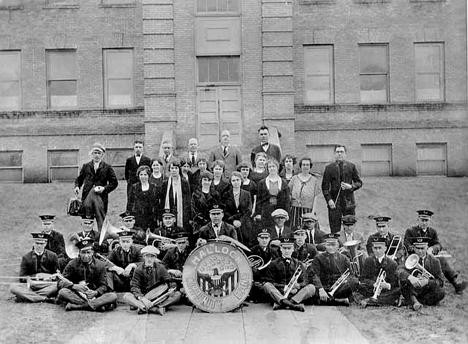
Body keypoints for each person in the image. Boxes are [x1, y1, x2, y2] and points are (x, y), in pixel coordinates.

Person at [404, 210, 467, 294]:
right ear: (418, 219)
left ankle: (455, 284)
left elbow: (438, 244)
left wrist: (432, 249)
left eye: (426, 220)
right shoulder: (410, 231)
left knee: (442, 260)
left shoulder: (432, 232)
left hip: (428, 258)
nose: (424, 223)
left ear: (430, 221)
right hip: (414, 259)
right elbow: (406, 245)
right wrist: (419, 250)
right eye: (422, 220)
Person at [58, 237, 118, 311]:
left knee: (113, 296)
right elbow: (60, 282)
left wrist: (95, 292)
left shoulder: (100, 265)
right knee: (63, 292)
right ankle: (96, 305)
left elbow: (104, 285)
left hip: (95, 295)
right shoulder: (72, 264)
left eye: (88, 252)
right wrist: (74, 286)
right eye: (83, 252)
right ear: (79, 252)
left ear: (92, 252)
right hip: (78, 294)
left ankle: (79, 306)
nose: (86, 256)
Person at [123, 245, 181, 315]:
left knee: (177, 295)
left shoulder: (161, 268)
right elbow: (134, 286)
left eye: (152, 256)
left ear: (155, 258)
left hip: (158, 296)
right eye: (147, 256)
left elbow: (170, 281)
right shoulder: (138, 269)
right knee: (126, 296)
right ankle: (155, 309)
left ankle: (143, 307)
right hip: (143, 296)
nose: (149, 259)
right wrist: (142, 298)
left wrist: (172, 289)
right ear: (144, 257)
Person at [263, 236, 315, 311]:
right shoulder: (273, 264)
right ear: (280, 249)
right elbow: (270, 281)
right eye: (284, 248)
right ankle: (293, 305)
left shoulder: (299, 263)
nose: (286, 251)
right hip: (280, 292)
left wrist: (298, 285)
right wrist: (285, 287)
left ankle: (284, 303)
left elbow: (305, 281)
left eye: (289, 248)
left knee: (311, 287)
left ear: (293, 249)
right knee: (266, 285)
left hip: (295, 293)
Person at [74, 142, 119, 231]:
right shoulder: (86, 166)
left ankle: (102, 237)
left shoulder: (107, 167)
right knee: (87, 220)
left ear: (102, 155)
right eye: (95, 153)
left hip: (101, 198)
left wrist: (104, 188)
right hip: (87, 198)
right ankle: (88, 237)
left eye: (99, 153)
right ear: (91, 154)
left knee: (100, 217)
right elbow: (79, 179)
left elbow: (114, 183)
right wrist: (77, 187)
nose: (97, 155)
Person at [321, 145, 362, 234]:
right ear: (334, 154)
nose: (339, 154)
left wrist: (351, 187)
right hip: (334, 204)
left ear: (345, 154)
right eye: (337, 152)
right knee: (335, 230)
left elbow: (359, 182)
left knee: (349, 228)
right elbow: (325, 187)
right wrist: (329, 200)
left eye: (341, 152)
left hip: (349, 204)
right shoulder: (329, 168)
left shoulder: (351, 166)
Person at [309, 233, 359, 306]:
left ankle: (330, 299)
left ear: (338, 246)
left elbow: (350, 275)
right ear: (325, 245)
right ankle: (338, 300)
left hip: (340, 288)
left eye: (333, 245)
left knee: (354, 281)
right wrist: (320, 289)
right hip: (324, 287)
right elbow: (314, 275)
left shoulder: (344, 258)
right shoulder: (318, 258)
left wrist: (346, 281)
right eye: (329, 245)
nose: (331, 247)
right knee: (314, 292)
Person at [9, 233, 58, 303]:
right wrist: (33, 277)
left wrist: (49, 276)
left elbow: (58, 275)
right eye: (37, 243)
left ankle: (27, 296)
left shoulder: (53, 256)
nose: (39, 246)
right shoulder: (26, 257)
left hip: (46, 285)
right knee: (13, 287)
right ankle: (45, 299)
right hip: (31, 286)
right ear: (33, 243)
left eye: (41, 244)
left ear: (45, 244)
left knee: (57, 286)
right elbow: (22, 277)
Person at [398, 237, 445, 311]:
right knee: (405, 283)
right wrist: (410, 277)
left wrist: (427, 282)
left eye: (422, 248)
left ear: (427, 248)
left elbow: (440, 282)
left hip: (427, 290)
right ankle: (415, 301)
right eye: (417, 248)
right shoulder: (409, 258)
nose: (420, 251)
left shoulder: (435, 261)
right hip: (413, 287)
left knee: (441, 292)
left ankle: (412, 301)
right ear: (414, 248)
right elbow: (399, 270)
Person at [358, 237, 400, 308]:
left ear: (385, 249)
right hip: (372, 288)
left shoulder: (392, 263)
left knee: (397, 291)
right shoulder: (368, 261)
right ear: (372, 249)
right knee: (360, 286)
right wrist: (374, 284)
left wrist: (387, 285)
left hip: (385, 290)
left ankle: (369, 300)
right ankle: (380, 300)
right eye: (375, 248)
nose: (377, 251)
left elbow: (395, 283)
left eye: (380, 248)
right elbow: (363, 278)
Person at [255, 159, 290, 228]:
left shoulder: (283, 182)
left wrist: (286, 213)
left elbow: (287, 200)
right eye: (270, 167)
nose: (272, 168)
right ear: (267, 169)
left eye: (273, 166)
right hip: (266, 212)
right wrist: (258, 213)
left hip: (280, 211)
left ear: (277, 168)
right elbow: (259, 200)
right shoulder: (262, 183)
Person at [289, 157, 322, 229]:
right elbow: (289, 193)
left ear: (310, 166)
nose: (305, 166)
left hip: (308, 210)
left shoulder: (314, 180)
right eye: (303, 165)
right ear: (300, 166)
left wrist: (312, 212)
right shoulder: (294, 178)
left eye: (307, 165)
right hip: (295, 210)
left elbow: (315, 197)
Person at [222, 171, 253, 247]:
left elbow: (249, 210)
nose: (236, 182)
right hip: (231, 224)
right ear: (231, 182)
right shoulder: (226, 194)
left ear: (241, 181)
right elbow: (225, 211)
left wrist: (240, 221)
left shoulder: (247, 194)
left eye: (237, 180)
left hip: (244, 224)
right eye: (233, 180)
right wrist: (233, 221)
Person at [127, 165, 160, 231]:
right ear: (138, 176)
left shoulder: (154, 187)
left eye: (145, 174)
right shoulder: (134, 187)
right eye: (141, 174)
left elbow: (157, 204)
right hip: (138, 218)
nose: (143, 177)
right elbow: (130, 204)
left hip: (151, 219)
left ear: (149, 175)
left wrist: (158, 218)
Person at [161, 159, 192, 230]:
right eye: (172, 168)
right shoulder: (165, 183)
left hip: (181, 212)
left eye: (176, 168)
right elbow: (162, 200)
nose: (174, 170)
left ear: (179, 169)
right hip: (169, 211)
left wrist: (187, 216)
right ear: (169, 170)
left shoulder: (184, 183)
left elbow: (187, 201)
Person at [249, 229, 275, 303]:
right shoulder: (252, 251)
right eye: (262, 238)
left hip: (269, 278)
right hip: (257, 278)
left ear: (269, 239)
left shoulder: (273, 251)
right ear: (258, 239)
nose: (264, 240)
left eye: (266, 238)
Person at [191, 171, 216, 238]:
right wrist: (202, 220)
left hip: (213, 223)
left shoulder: (215, 194)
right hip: (199, 224)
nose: (206, 182)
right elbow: (193, 209)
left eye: (209, 180)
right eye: (205, 180)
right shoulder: (195, 194)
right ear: (201, 181)